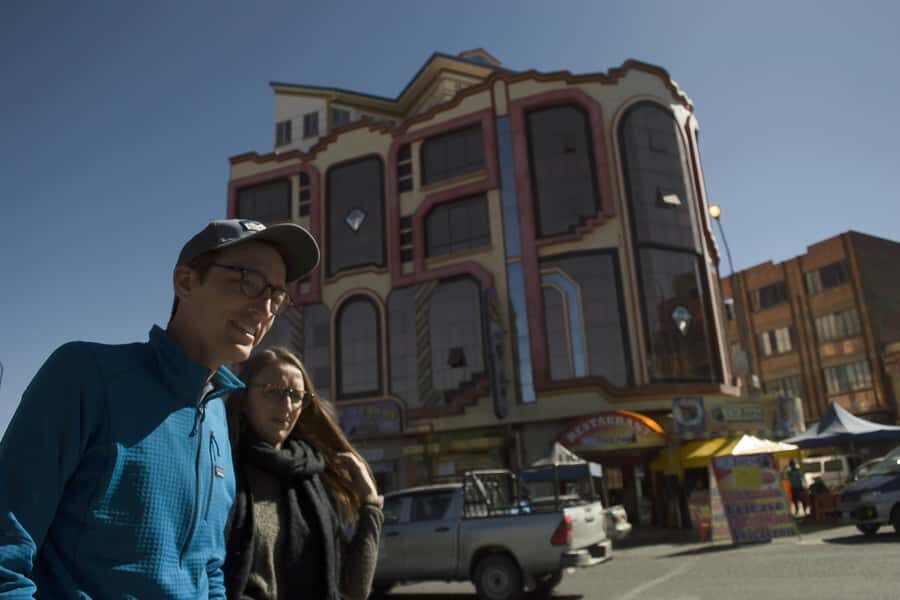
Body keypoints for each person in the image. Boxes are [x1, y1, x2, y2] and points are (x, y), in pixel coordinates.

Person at [0, 218, 319, 598]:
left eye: (277, 295)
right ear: (185, 282)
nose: (265, 308)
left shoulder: (219, 416)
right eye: (248, 281)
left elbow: (209, 566)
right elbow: (7, 549)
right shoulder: (85, 375)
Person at [223, 347, 383, 600]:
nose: (287, 405)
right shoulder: (222, 468)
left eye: (296, 396)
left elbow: (353, 591)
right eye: (273, 392)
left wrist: (370, 505)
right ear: (243, 398)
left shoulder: (313, 477)